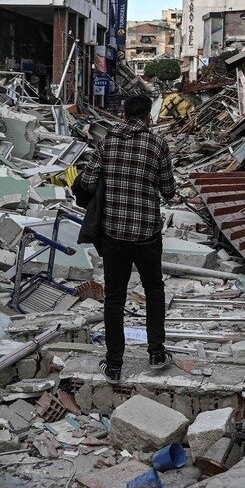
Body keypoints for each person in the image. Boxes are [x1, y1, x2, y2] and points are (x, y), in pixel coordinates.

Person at [75, 92, 176, 381]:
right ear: (148, 117)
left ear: (123, 116)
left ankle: (114, 363)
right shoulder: (157, 144)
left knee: (115, 297)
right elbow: (169, 191)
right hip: (146, 234)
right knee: (154, 290)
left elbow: (89, 181)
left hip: (114, 234)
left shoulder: (107, 141)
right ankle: (156, 352)